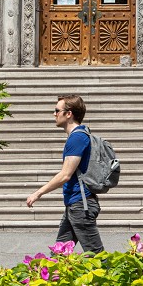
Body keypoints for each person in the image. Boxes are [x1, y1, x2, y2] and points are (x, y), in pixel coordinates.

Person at [24, 93, 104, 253]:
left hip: (81, 205)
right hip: (75, 204)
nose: (54, 114)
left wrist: (38, 193)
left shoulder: (77, 138)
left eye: (57, 110)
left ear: (69, 114)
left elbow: (65, 175)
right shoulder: (78, 136)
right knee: (58, 255)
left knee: (97, 256)